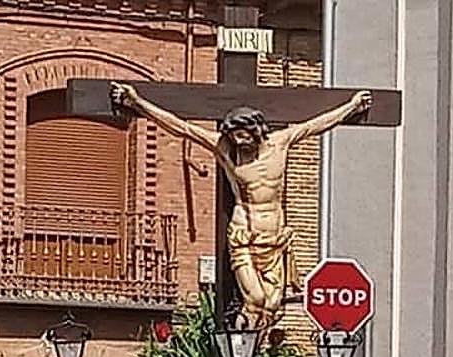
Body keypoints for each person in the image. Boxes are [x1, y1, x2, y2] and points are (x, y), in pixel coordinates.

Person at [111, 83, 372, 328]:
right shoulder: (225, 149)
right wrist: (137, 103)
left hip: (275, 238)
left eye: (244, 137)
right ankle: (237, 356)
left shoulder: (280, 143)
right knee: (255, 300)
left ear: (256, 131)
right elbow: (182, 128)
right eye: (235, 138)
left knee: (272, 306)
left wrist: (351, 107)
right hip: (244, 234)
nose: (240, 143)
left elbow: (316, 125)